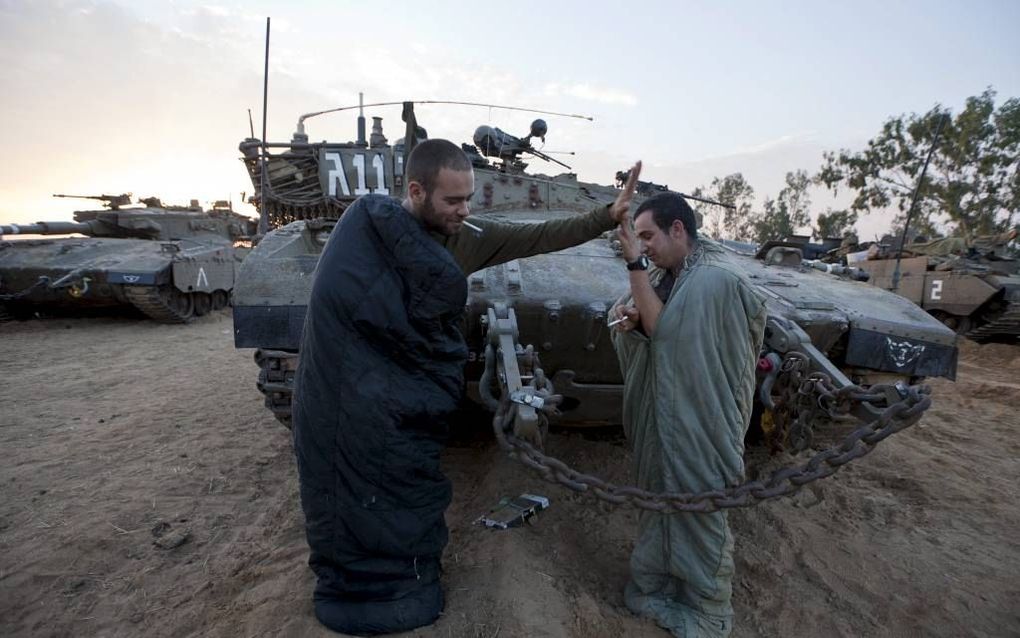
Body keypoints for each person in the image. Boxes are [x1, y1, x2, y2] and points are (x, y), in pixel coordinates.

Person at [291, 138, 641, 635]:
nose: (465, 210)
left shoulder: (468, 235)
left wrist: (605, 216)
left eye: (469, 197)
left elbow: (540, 236)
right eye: (453, 200)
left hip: (405, 399)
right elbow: (344, 316)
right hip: (359, 394)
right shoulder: (368, 237)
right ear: (415, 191)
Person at [610, 188, 766, 638]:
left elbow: (670, 331)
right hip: (666, 418)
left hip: (703, 422)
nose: (642, 247)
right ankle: (655, 587)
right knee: (659, 499)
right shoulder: (670, 272)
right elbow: (645, 320)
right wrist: (631, 320)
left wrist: (635, 272)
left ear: (679, 230)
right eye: (637, 239)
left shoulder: (715, 280)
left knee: (699, 509)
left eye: (648, 236)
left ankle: (706, 611)